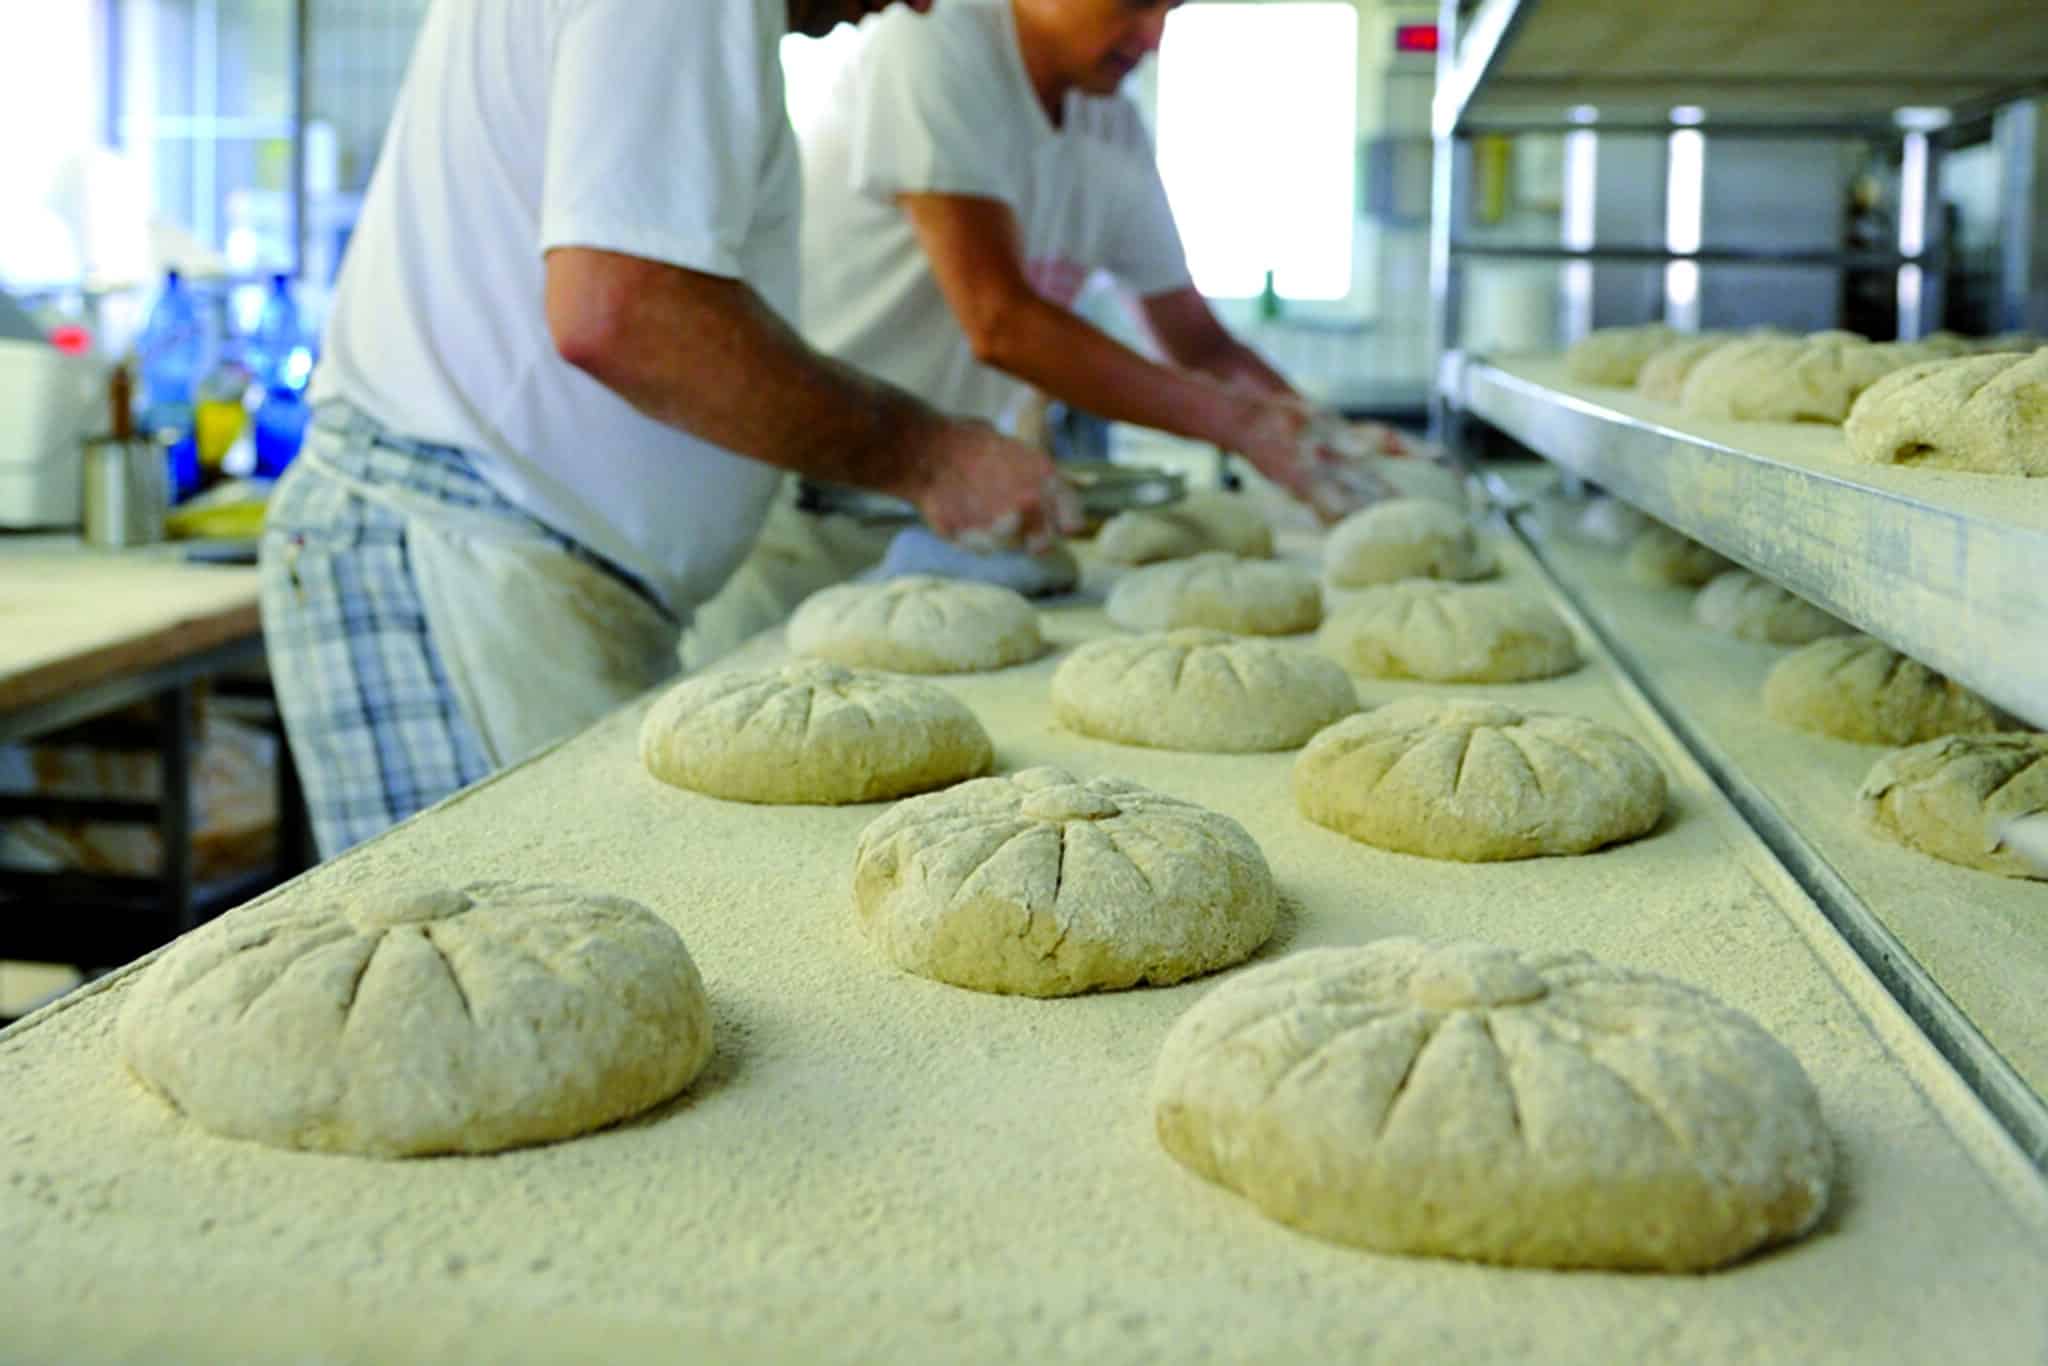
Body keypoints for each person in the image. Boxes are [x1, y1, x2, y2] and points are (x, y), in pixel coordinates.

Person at [260, 0, 1075, 858]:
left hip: (518, 568)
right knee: (527, 965)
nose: (919, 5)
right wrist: (932, 456)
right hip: (459, 559)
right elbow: (623, 312)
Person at [681, 0, 1404, 668]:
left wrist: (1321, 437)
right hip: (812, 516)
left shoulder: (1107, 124)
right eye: (1136, 2)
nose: (1154, 37)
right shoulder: (935, 40)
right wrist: (1242, 424)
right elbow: (1000, 321)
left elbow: (1200, 344)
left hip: (960, 520)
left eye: (1171, 10)